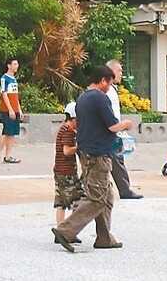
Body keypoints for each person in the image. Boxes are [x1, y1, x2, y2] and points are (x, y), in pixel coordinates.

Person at [52, 65, 134, 251]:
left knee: (106, 195)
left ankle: (104, 238)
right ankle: (65, 230)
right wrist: (126, 124)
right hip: (98, 155)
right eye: (109, 83)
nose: (110, 87)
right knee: (97, 198)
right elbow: (112, 126)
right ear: (103, 80)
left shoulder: (82, 98)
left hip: (86, 152)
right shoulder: (100, 97)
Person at [104, 59, 142, 198]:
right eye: (119, 70)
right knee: (115, 160)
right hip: (109, 131)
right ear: (111, 71)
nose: (121, 73)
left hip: (115, 129)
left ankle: (125, 190)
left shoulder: (112, 89)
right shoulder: (106, 90)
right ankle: (125, 191)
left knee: (111, 160)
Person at [53, 101, 83, 238]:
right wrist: (80, 147)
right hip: (67, 171)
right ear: (73, 117)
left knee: (61, 203)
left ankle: (60, 231)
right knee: (77, 201)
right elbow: (66, 151)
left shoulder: (63, 128)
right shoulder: (68, 131)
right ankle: (68, 230)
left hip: (59, 169)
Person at [0, 57, 23, 165]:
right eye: (14, 64)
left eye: (17, 64)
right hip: (7, 110)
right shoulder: (4, 79)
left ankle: (8, 156)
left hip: (15, 109)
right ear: (9, 66)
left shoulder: (14, 79)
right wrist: (10, 109)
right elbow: (4, 94)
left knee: (12, 134)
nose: (16, 66)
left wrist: (19, 109)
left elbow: (16, 96)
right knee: (6, 132)